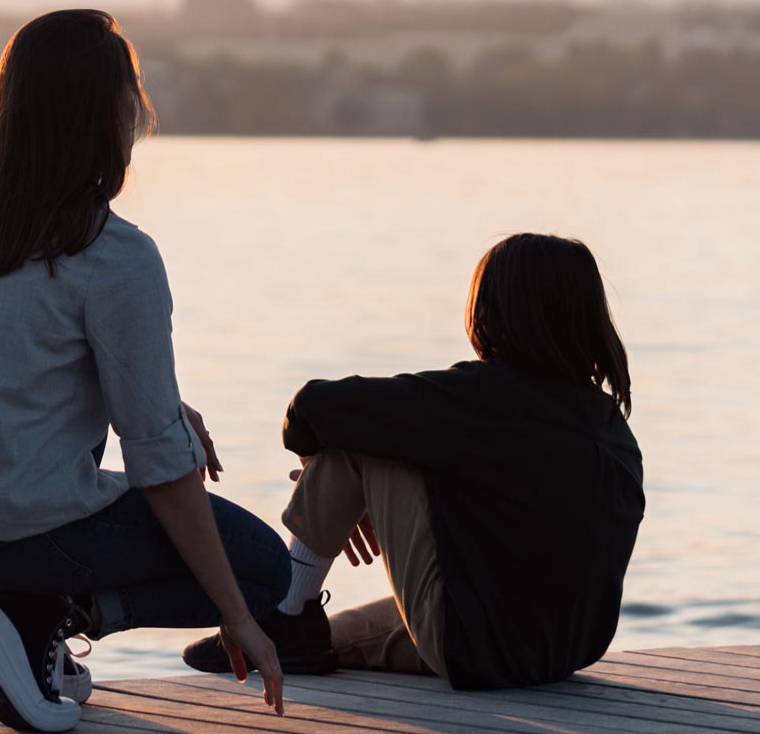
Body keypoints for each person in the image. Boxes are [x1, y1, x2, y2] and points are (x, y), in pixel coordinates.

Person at [0, 8, 319, 734]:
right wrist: (241, 620)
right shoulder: (112, 256)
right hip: (5, 531)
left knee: (129, 489)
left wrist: (168, 408)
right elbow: (163, 469)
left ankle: (36, 630)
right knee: (265, 572)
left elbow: (21, 366)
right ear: (108, 113)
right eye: (131, 91)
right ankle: (39, 616)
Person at [182, 232, 645, 690]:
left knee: (361, 433)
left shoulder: (478, 399)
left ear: (491, 309)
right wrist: (351, 494)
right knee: (343, 638)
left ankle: (288, 613)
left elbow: (311, 407)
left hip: (474, 647)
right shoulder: (610, 427)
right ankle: (282, 637)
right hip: (562, 652)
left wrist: (322, 471)